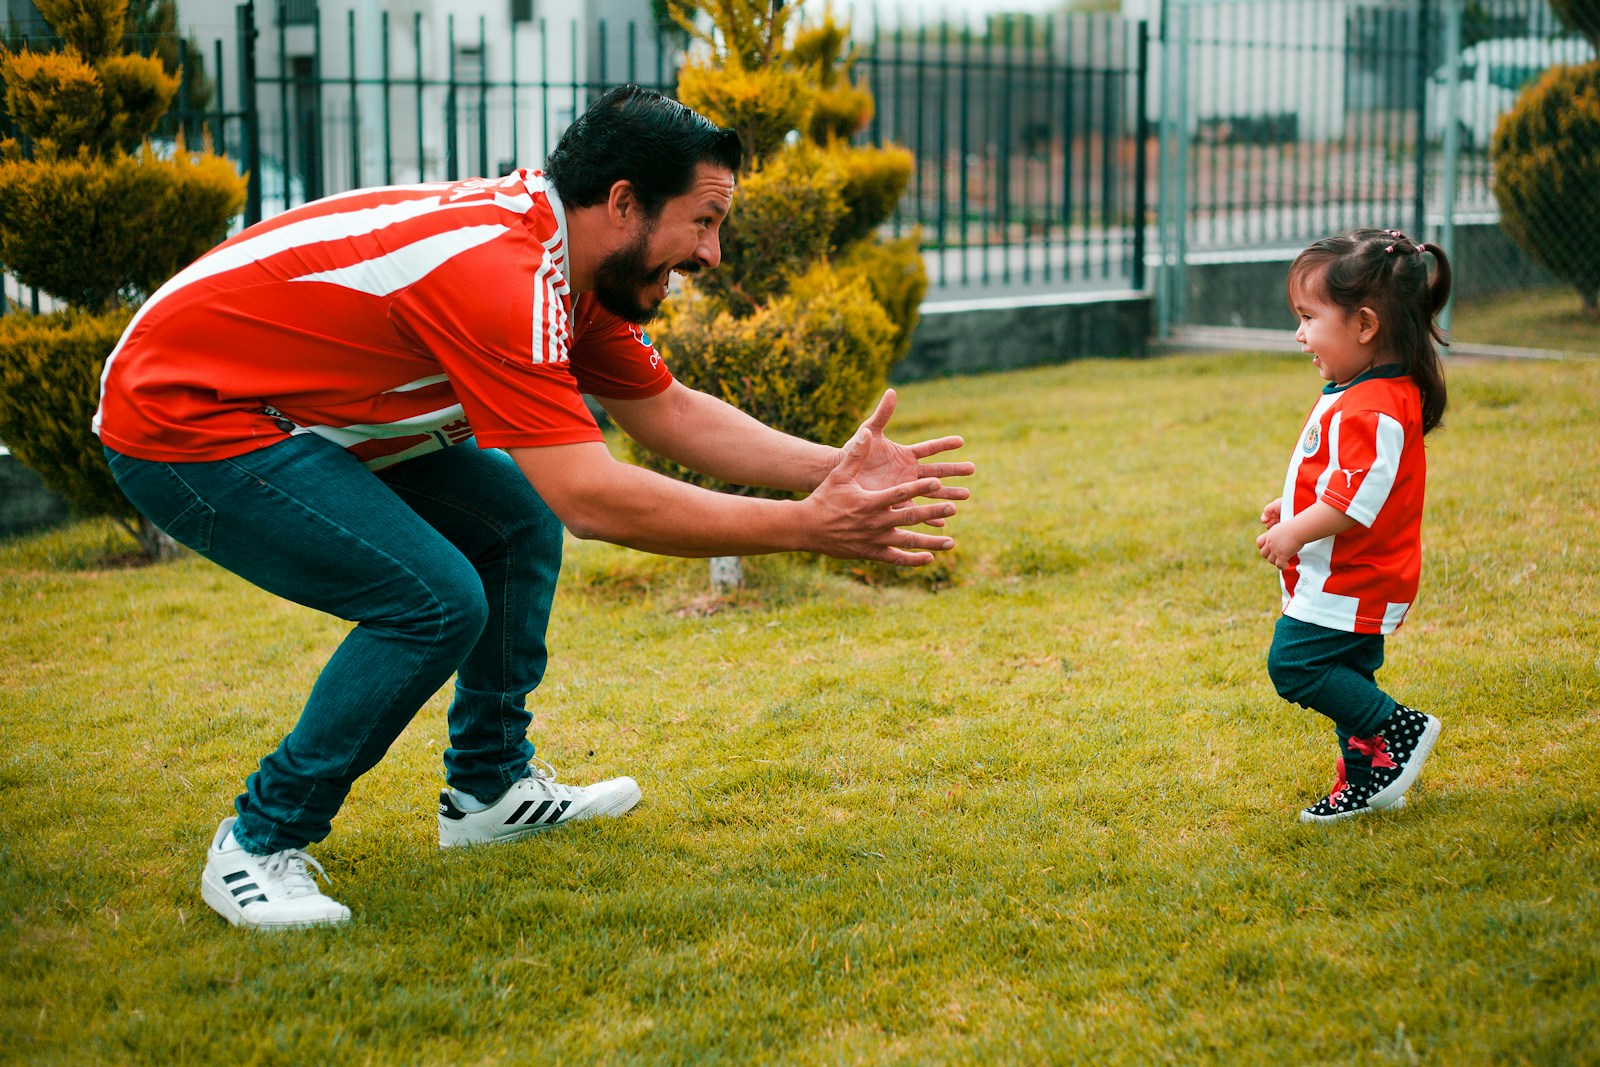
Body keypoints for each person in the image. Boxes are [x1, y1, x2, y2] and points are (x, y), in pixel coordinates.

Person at [93, 85, 973, 928]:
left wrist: (836, 468)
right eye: (702, 222)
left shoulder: (568, 268)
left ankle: (488, 790)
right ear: (624, 203)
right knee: (432, 599)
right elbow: (591, 495)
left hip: (293, 409)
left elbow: (666, 411)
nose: (711, 254)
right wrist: (806, 528)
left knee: (513, 520)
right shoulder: (500, 272)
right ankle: (259, 839)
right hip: (185, 418)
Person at [1256, 227, 1448, 824]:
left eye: (1310, 318)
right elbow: (1341, 480)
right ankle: (1366, 780)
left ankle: (1400, 729)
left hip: (1353, 580)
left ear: (1364, 326)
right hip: (1357, 575)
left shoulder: (1374, 406)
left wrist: (1295, 532)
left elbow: (1351, 504)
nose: (1300, 334)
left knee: (1296, 665)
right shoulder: (1366, 390)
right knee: (1346, 675)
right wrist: (1291, 508)